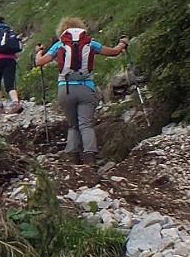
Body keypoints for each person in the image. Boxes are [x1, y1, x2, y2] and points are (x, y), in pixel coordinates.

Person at [33, 16, 129, 166]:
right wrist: (122, 44)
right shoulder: (90, 43)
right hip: (86, 88)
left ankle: (73, 159)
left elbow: (39, 63)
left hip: (65, 89)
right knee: (86, 124)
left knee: (73, 125)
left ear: (62, 31)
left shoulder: (59, 44)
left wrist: (38, 52)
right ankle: (90, 160)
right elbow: (113, 52)